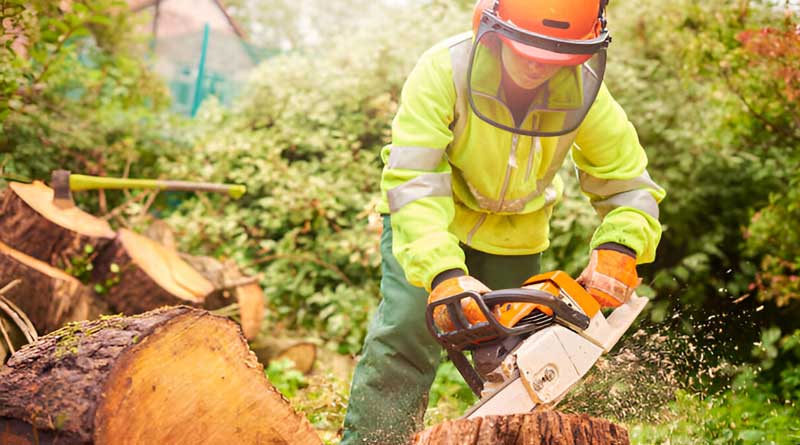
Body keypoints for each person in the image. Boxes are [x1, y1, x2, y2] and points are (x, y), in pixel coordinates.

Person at [341, 0, 666, 443]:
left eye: (554, 58)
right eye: (527, 53)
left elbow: (630, 185)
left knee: (522, 358)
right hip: (431, 226)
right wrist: (444, 273)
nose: (537, 67)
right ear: (491, 29)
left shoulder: (585, 90)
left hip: (515, 237)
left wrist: (621, 246)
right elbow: (414, 180)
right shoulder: (445, 69)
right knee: (405, 336)